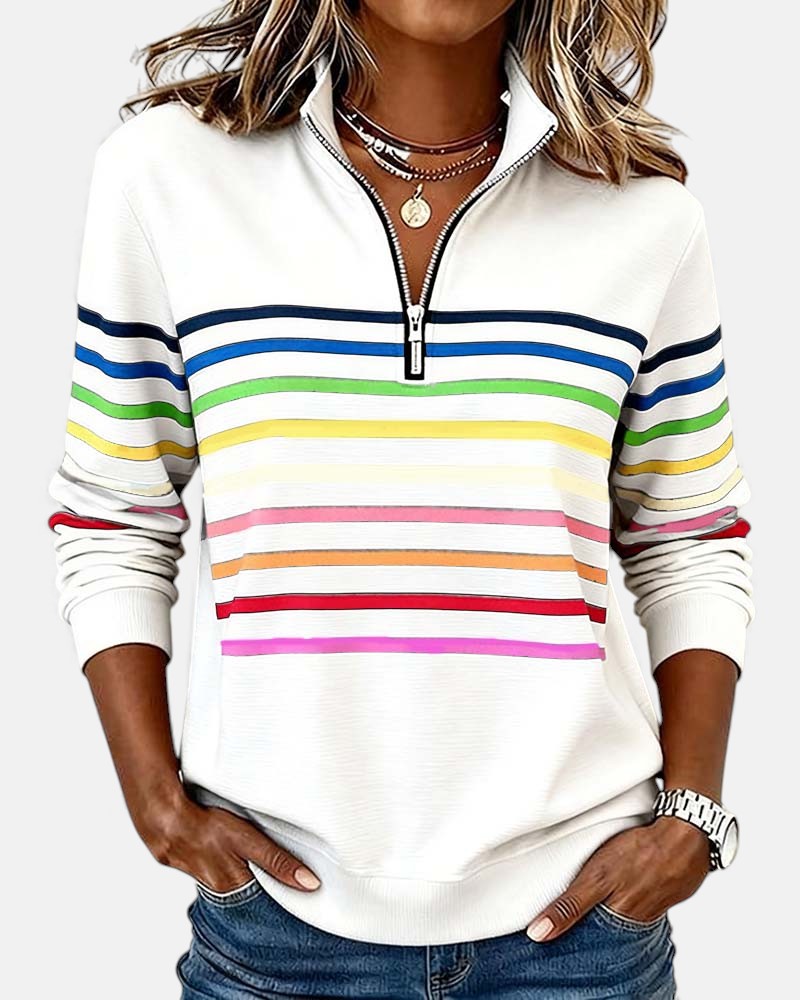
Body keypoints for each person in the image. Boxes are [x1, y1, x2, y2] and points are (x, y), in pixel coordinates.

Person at [47, 2, 754, 997]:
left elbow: (690, 534)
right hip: (276, 931)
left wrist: (690, 816)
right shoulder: (166, 178)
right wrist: (154, 800)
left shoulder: (642, 217)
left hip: (582, 938)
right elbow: (113, 510)